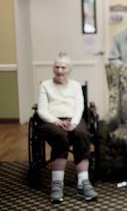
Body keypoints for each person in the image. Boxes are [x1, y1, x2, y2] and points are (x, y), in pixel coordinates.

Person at [37, 53, 98, 203]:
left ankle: (83, 182)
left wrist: (74, 123)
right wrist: (56, 121)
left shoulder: (76, 85)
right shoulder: (45, 85)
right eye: (57, 67)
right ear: (53, 68)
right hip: (51, 121)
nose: (59, 70)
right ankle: (57, 184)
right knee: (60, 136)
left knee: (82, 134)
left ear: (69, 70)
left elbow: (79, 107)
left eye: (63, 67)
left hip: (73, 119)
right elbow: (42, 110)